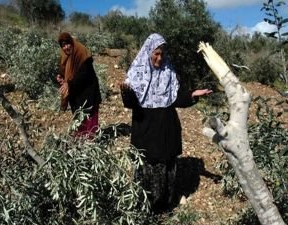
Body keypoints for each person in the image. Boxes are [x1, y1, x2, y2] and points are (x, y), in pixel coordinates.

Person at [120, 33, 212, 213]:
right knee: (147, 164)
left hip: (167, 126)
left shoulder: (168, 71)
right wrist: (126, 93)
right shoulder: (137, 72)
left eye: (162, 54)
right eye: (156, 53)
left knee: (167, 164)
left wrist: (192, 95)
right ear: (148, 52)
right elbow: (130, 103)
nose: (159, 58)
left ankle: (165, 205)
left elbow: (176, 98)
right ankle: (144, 207)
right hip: (145, 128)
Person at [57, 32, 101, 138]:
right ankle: (81, 141)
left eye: (67, 44)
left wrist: (69, 84)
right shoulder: (66, 56)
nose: (66, 47)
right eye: (63, 45)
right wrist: (60, 76)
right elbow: (65, 70)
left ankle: (90, 142)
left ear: (71, 42)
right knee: (79, 117)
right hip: (77, 93)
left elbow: (84, 75)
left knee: (89, 117)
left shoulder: (82, 53)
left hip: (88, 92)